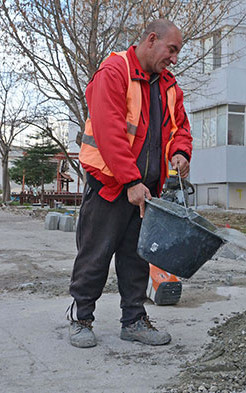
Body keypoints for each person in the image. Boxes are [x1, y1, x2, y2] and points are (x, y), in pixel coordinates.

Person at [67, 19, 193, 348]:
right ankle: (81, 318)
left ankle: (134, 320)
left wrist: (181, 153)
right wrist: (131, 180)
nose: (175, 58)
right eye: (172, 49)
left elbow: (181, 127)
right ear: (152, 40)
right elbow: (109, 133)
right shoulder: (114, 71)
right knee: (95, 254)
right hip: (109, 185)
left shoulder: (169, 86)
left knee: (137, 257)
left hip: (144, 193)